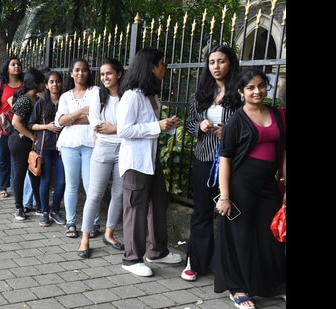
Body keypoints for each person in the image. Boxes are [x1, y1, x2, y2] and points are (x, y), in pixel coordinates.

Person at [214, 68, 286, 308]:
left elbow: (284, 152)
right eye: (251, 87)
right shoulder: (237, 120)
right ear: (241, 92)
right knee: (240, 236)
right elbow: (225, 159)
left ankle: (273, 285)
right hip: (241, 184)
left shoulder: (278, 114)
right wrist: (224, 196)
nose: (257, 91)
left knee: (271, 235)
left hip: (268, 183)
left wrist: (284, 185)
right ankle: (238, 288)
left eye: (261, 85)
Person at [116, 47, 182, 277]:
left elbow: (151, 129)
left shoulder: (150, 95)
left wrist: (166, 126)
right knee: (136, 209)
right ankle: (132, 258)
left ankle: (158, 251)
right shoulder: (132, 95)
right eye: (162, 63)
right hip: (135, 162)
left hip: (150, 159)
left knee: (158, 204)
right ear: (150, 67)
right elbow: (123, 130)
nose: (165, 67)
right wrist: (157, 126)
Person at [181, 44, 242, 282]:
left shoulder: (240, 92)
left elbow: (249, 125)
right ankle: (195, 262)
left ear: (231, 63)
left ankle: (225, 266)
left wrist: (229, 130)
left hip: (233, 162)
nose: (216, 66)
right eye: (212, 62)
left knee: (231, 213)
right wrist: (200, 126)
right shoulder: (202, 94)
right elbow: (188, 124)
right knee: (202, 212)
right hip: (204, 159)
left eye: (221, 61)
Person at [77, 58, 125, 258]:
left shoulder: (127, 95)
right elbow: (97, 124)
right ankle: (85, 239)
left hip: (124, 149)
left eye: (109, 73)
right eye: (103, 74)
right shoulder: (97, 93)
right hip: (103, 148)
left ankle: (109, 233)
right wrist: (121, 129)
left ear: (119, 74)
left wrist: (115, 128)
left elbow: (130, 124)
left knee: (119, 194)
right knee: (95, 195)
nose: (105, 77)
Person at [55, 58, 100, 238]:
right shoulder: (66, 96)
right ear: (71, 73)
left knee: (91, 185)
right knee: (72, 185)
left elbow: (96, 118)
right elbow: (59, 122)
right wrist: (81, 112)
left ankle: (93, 223)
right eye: (77, 70)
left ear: (88, 73)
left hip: (90, 143)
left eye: (84, 70)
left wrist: (71, 119)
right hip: (69, 144)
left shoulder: (95, 92)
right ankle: (71, 222)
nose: (81, 73)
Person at [29, 70, 66, 227]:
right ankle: (44, 211)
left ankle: (55, 210)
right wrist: (47, 127)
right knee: (45, 181)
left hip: (63, 148)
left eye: (57, 81)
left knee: (62, 181)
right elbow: (31, 124)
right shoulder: (41, 103)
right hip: (45, 147)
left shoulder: (66, 101)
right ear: (47, 84)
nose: (55, 84)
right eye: (51, 82)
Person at [8, 67, 46, 220]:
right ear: (36, 83)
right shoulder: (25, 100)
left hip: (29, 142)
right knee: (20, 173)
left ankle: (39, 205)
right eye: (43, 81)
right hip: (19, 141)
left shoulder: (36, 99)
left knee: (35, 172)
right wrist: (32, 137)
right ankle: (19, 207)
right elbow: (16, 122)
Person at [0, 56, 25, 198]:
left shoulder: (24, 86)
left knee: (18, 160)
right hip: (2, 130)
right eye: (13, 64)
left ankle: (17, 187)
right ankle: (3, 186)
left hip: (20, 130)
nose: (16, 67)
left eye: (18, 64)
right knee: (3, 158)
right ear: (7, 68)